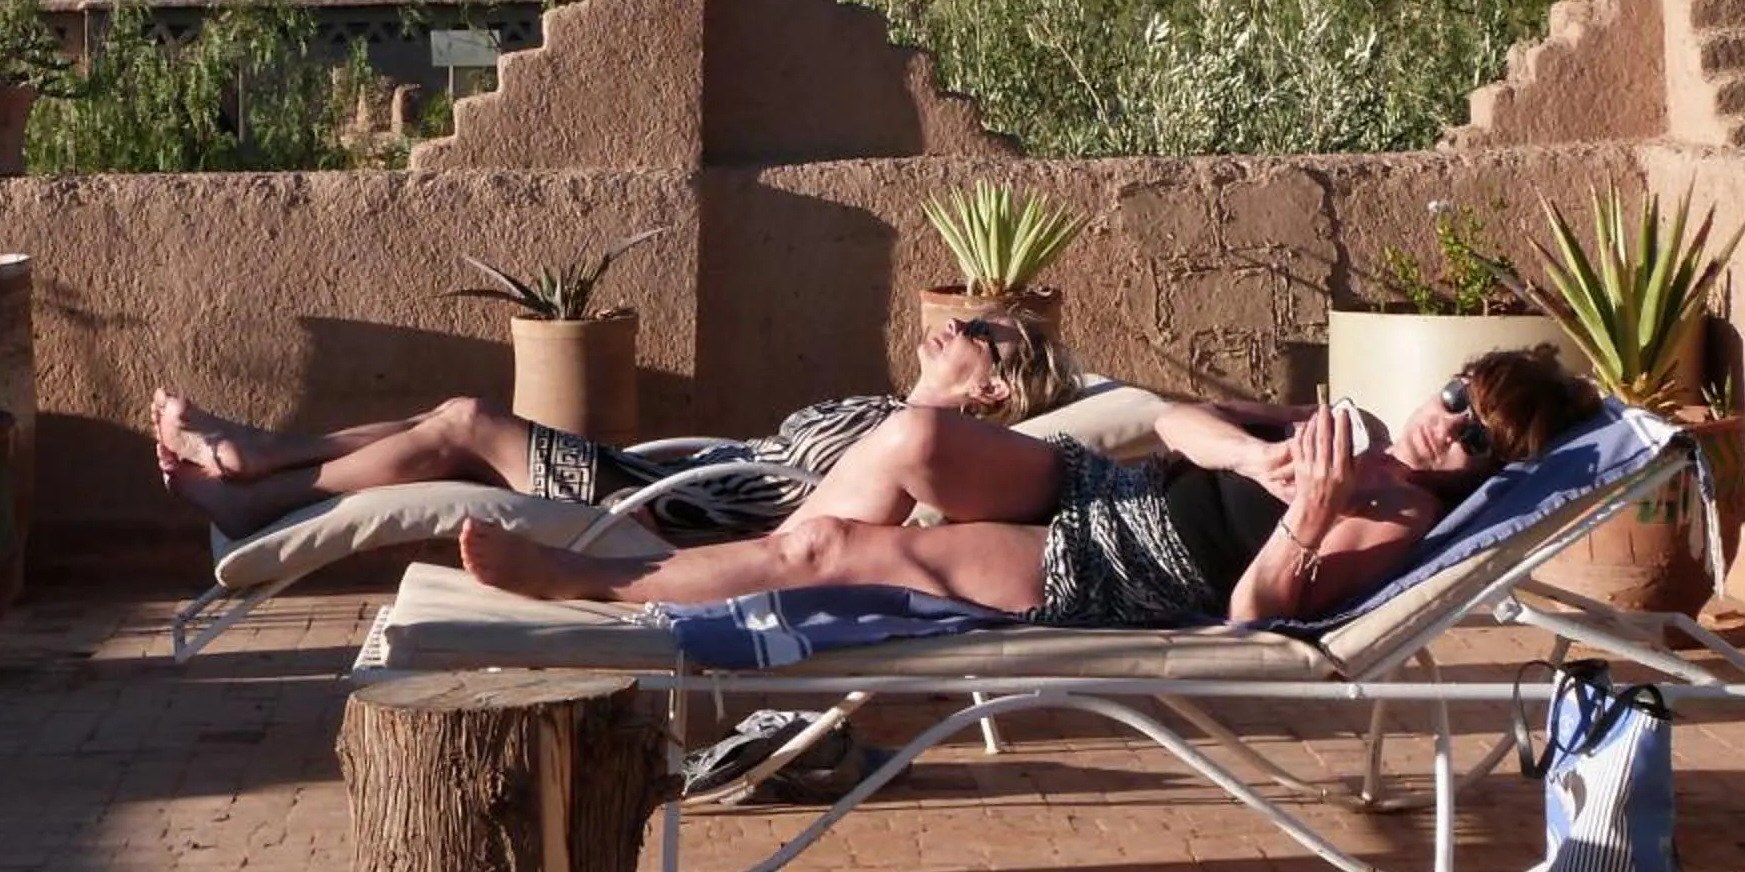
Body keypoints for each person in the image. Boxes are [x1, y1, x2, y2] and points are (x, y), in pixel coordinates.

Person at [458, 345, 1604, 628]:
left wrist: (1301, 522)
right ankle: (739, 574)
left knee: (838, 551)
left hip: (1121, 566)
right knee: (915, 435)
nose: (1447, 422)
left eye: (1476, 436)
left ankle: (596, 582)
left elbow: (1253, 615)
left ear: (1492, 467)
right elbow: (1173, 416)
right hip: (1106, 483)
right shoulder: (1353, 430)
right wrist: (1255, 456)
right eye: (1457, 394)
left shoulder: (1394, 514)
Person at [150, 309, 1084, 542]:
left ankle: (260, 487)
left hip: (666, 515)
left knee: (467, 422)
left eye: (982, 334)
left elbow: (808, 524)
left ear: (991, 393)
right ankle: (263, 460)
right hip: (664, 479)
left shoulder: (918, 445)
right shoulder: (881, 410)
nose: (957, 322)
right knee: (444, 419)